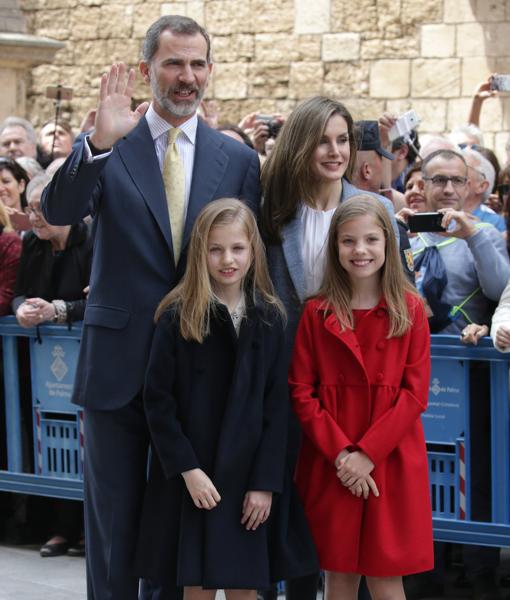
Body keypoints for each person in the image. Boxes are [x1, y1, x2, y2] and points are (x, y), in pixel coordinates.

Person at [41, 14, 260, 600]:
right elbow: (59, 212)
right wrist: (99, 144)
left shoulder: (235, 160)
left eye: (197, 64)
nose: (186, 77)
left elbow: (247, 261)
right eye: (173, 63)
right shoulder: (112, 145)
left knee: (175, 531)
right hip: (117, 366)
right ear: (147, 70)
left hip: (197, 369)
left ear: (210, 70)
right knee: (113, 528)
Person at [262, 96, 399, 600]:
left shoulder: (376, 210)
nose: (335, 151)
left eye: (343, 139)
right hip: (295, 385)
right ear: (301, 144)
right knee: (305, 515)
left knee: (363, 524)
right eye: (323, 139)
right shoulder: (275, 214)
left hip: (362, 389)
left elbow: (396, 296)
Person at [136, 198, 293, 597]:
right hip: (195, 479)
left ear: (253, 251)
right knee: (197, 586)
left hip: (246, 483)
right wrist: (187, 469)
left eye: (238, 248)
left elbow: (278, 408)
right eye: (216, 249)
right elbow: (158, 400)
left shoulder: (269, 318)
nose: (228, 259)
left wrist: (264, 483)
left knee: (245, 587)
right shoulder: (178, 315)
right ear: (200, 252)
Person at [289, 195, 433, 600]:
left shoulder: (410, 311)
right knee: (338, 575)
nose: (361, 250)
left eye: (371, 240)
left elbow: (415, 393)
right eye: (349, 241)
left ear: (388, 244)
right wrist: (342, 455)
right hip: (332, 459)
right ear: (335, 248)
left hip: (390, 458)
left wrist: (367, 453)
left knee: (387, 579)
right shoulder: (316, 312)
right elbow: (302, 392)